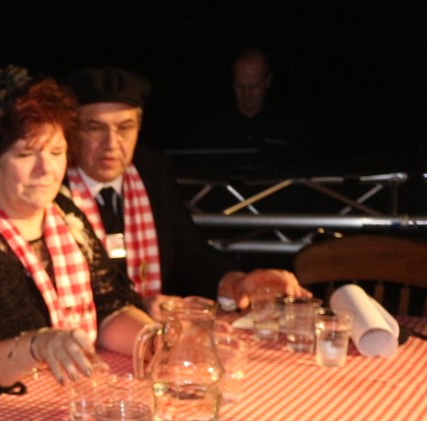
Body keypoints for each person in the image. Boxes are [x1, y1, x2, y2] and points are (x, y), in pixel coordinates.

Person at [0, 66, 152, 391]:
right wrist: (38, 345)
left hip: (65, 396)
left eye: (57, 152)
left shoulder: (67, 214)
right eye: (26, 154)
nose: (46, 169)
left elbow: (109, 306)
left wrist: (156, 339)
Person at [60, 66, 309, 313]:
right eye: (95, 128)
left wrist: (236, 282)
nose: (112, 144)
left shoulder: (152, 170)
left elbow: (189, 252)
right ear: (73, 130)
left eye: (125, 128)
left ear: (139, 127)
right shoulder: (54, 184)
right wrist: (133, 309)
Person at [187, 47, 313, 174]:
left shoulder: (290, 128)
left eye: (253, 86)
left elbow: (307, 171)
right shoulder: (212, 130)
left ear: (268, 81)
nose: (246, 94)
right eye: (240, 86)